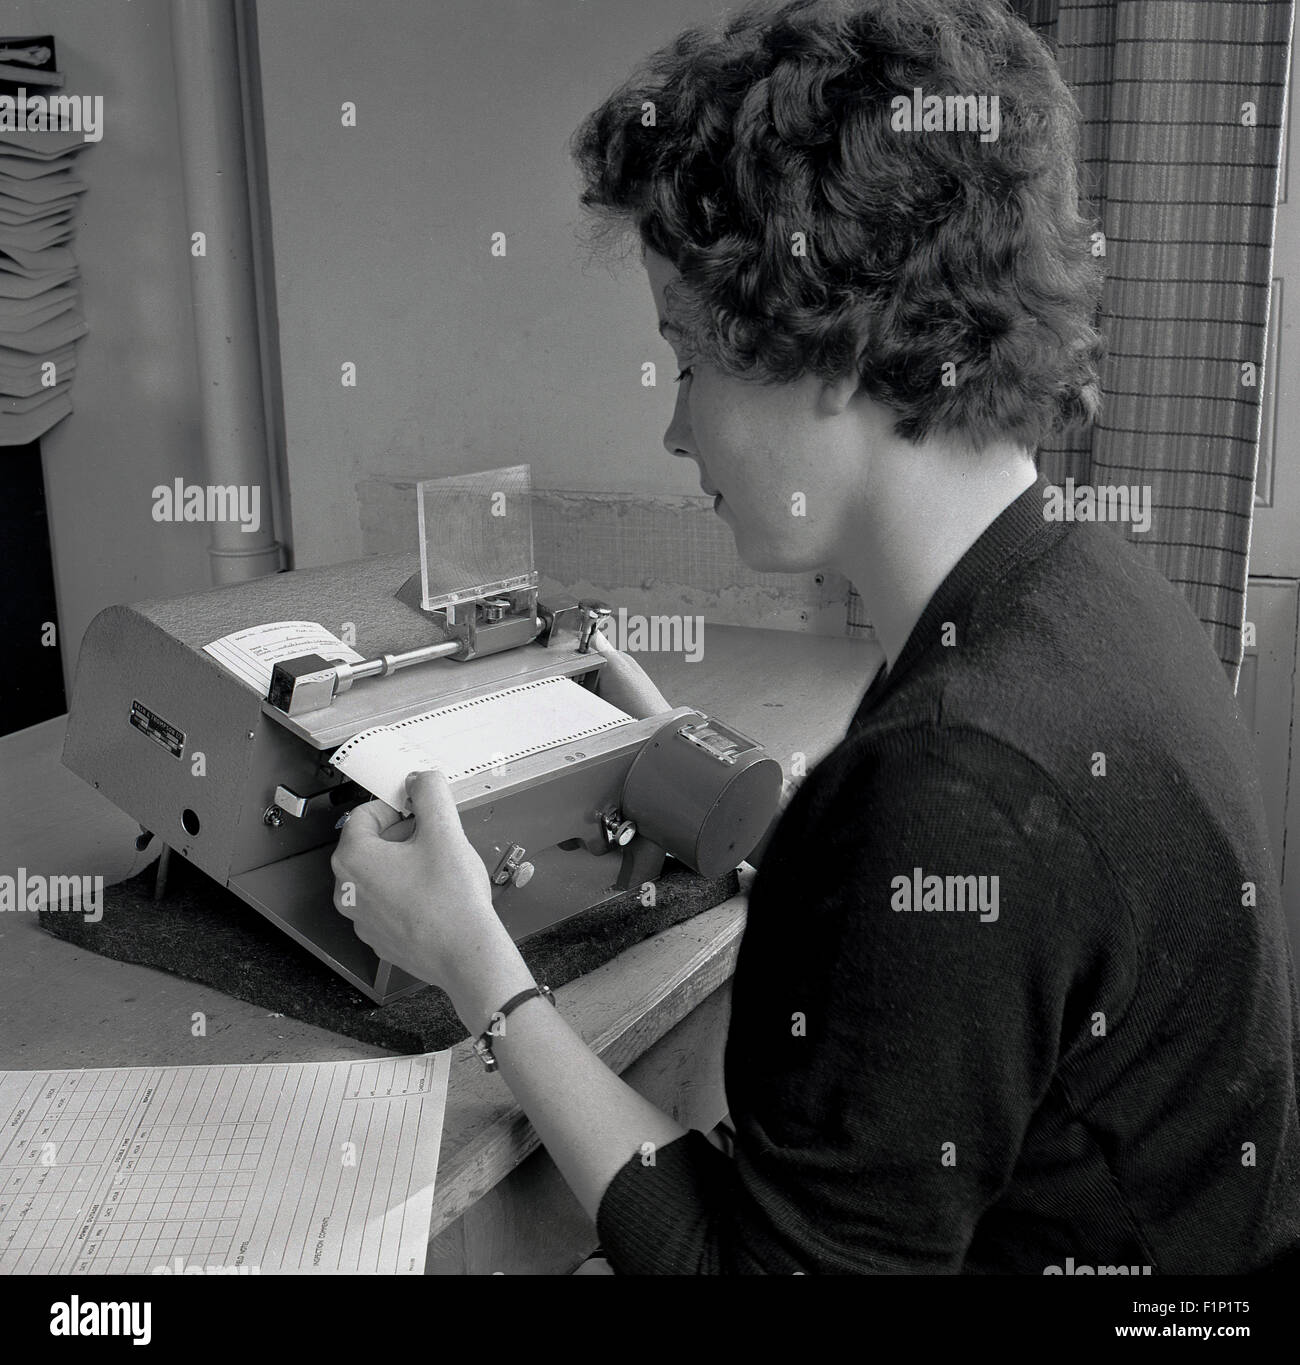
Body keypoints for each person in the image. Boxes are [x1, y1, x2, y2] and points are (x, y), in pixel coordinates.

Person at [331, 0, 1300, 1273]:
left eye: (686, 360)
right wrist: (688, 760)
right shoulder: (1076, 585)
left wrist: (477, 970)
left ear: (829, 347)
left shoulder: (957, 780)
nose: (675, 433)